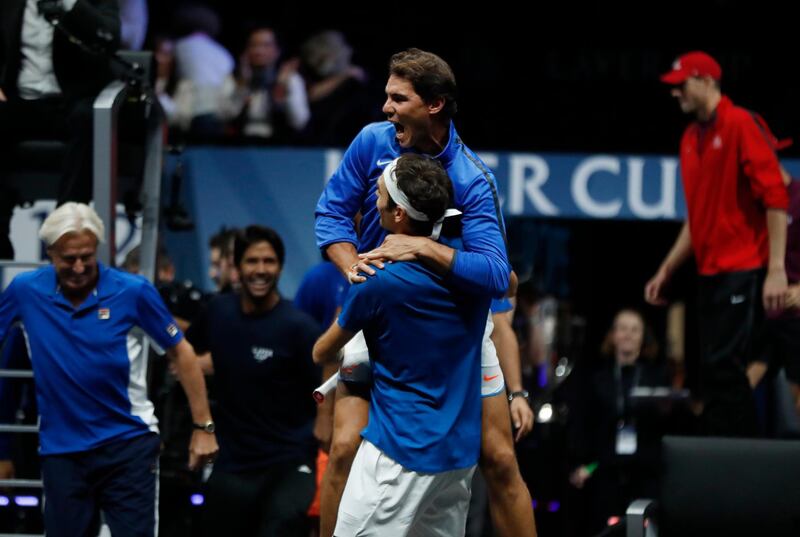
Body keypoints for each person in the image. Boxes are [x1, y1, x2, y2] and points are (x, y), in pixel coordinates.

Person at [315, 48, 535, 537]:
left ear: (434, 105)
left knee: (500, 458)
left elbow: (498, 276)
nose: (386, 108)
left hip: (455, 329)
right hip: (382, 313)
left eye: (398, 98)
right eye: (386, 97)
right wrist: (355, 269)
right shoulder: (372, 142)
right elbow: (331, 215)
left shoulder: (473, 179)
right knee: (346, 447)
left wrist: (418, 247)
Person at [0, 202, 217, 537]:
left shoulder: (132, 291)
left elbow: (182, 353)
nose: (79, 266)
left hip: (127, 444)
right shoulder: (26, 291)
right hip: (62, 451)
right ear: (50, 252)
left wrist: (203, 427)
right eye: (68, 258)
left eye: (86, 256)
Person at [314, 154, 489, 535]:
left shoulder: (376, 282)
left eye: (377, 195)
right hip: (457, 460)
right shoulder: (476, 278)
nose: (372, 202)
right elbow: (501, 278)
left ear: (397, 214)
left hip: (398, 456)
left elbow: (321, 352)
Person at [645, 51, 790, 437]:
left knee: (726, 368)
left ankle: (736, 455)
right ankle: (730, 452)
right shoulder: (691, 138)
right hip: (709, 272)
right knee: (713, 369)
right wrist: (667, 268)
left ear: (706, 81)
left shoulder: (741, 123)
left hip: (743, 268)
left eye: (682, 84)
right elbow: (697, 218)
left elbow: (776, 198)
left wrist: (776, 269)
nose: (676, 93)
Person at [186, 225, 322, 537]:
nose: (261, 270)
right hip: (233, 462)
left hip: (289, 462)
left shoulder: (299, 328)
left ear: (280, 266)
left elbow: (327, 385)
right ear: (236, 266)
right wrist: (201, 423)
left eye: (269, 261)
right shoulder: (218, 312)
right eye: (252, 261)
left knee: (280, 525)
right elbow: (182, 356)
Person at [0, 0, 120, 259]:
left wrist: (71, 5)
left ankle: (66, 231)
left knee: (88, 118)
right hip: (23, 101)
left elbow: (109, 36)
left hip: (72, 103)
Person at [568, 309, 669, 535]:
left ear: (644, 337)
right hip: (606, 470)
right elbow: (584, 425)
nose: (628, 335)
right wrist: (583, 464)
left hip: (645, 472)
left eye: (635, 330)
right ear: (613, 335)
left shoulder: (657, 378)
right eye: (622, 328)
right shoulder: (597, 379)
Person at [746, 167, 800, 417]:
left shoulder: (797, 196)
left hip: (794, 311)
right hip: (760, 310)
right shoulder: (751, 202)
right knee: (741, 388)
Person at [220, 26, 309, 143]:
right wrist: (242, 87)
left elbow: (299, 122)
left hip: (280, 145)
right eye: (253, 45)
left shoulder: (291, 79)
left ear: (277, 51)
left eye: (266, 45)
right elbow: (223, 116)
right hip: (239, 144)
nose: (258, 51)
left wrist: (281, 87)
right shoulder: (234, 78)